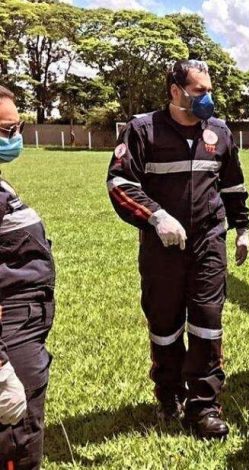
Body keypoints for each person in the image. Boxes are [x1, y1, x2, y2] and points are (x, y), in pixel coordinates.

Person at [106, 60, 249, 439]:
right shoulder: (142, 130)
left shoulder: (219, 132)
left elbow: (233, 184)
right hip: (162, 246)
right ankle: (169, 395)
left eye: (209, 90)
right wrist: (155, 217)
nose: (208, 98)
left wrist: (242, 228)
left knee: (206, 320)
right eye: (199, 91)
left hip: (208, 242)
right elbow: (120, 183)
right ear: (175, 91)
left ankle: (204, 406)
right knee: (165, 324)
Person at [0, 85, 56, 469]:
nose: (14, 137)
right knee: (15, 441)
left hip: (22, 327)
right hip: (8, 334)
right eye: (5, 130)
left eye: (16, 126)